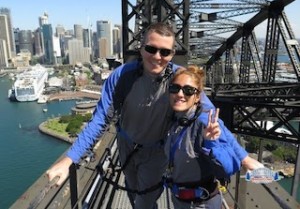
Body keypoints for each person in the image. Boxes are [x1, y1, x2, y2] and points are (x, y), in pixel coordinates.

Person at [46, 22, 262, 209]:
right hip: (125, 145)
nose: (157, 57)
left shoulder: (179, 79)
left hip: (156, 152)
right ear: (141, 49)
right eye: (151, 48)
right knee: (132, 192)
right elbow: (100, 119)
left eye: (165, 52)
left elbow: (212, 117)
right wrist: (69, 159)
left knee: (144, 202)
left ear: (172, 54)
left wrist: (244, 158)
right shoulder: (122, 76)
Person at [164, 65, 264, 208]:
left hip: (200, 204)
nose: (180, 94)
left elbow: (230, 166)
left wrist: (212, 144)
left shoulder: (204, 122)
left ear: (198, 97)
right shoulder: (177, 120)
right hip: (181, 200)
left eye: (188, 90)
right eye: (175, 88)